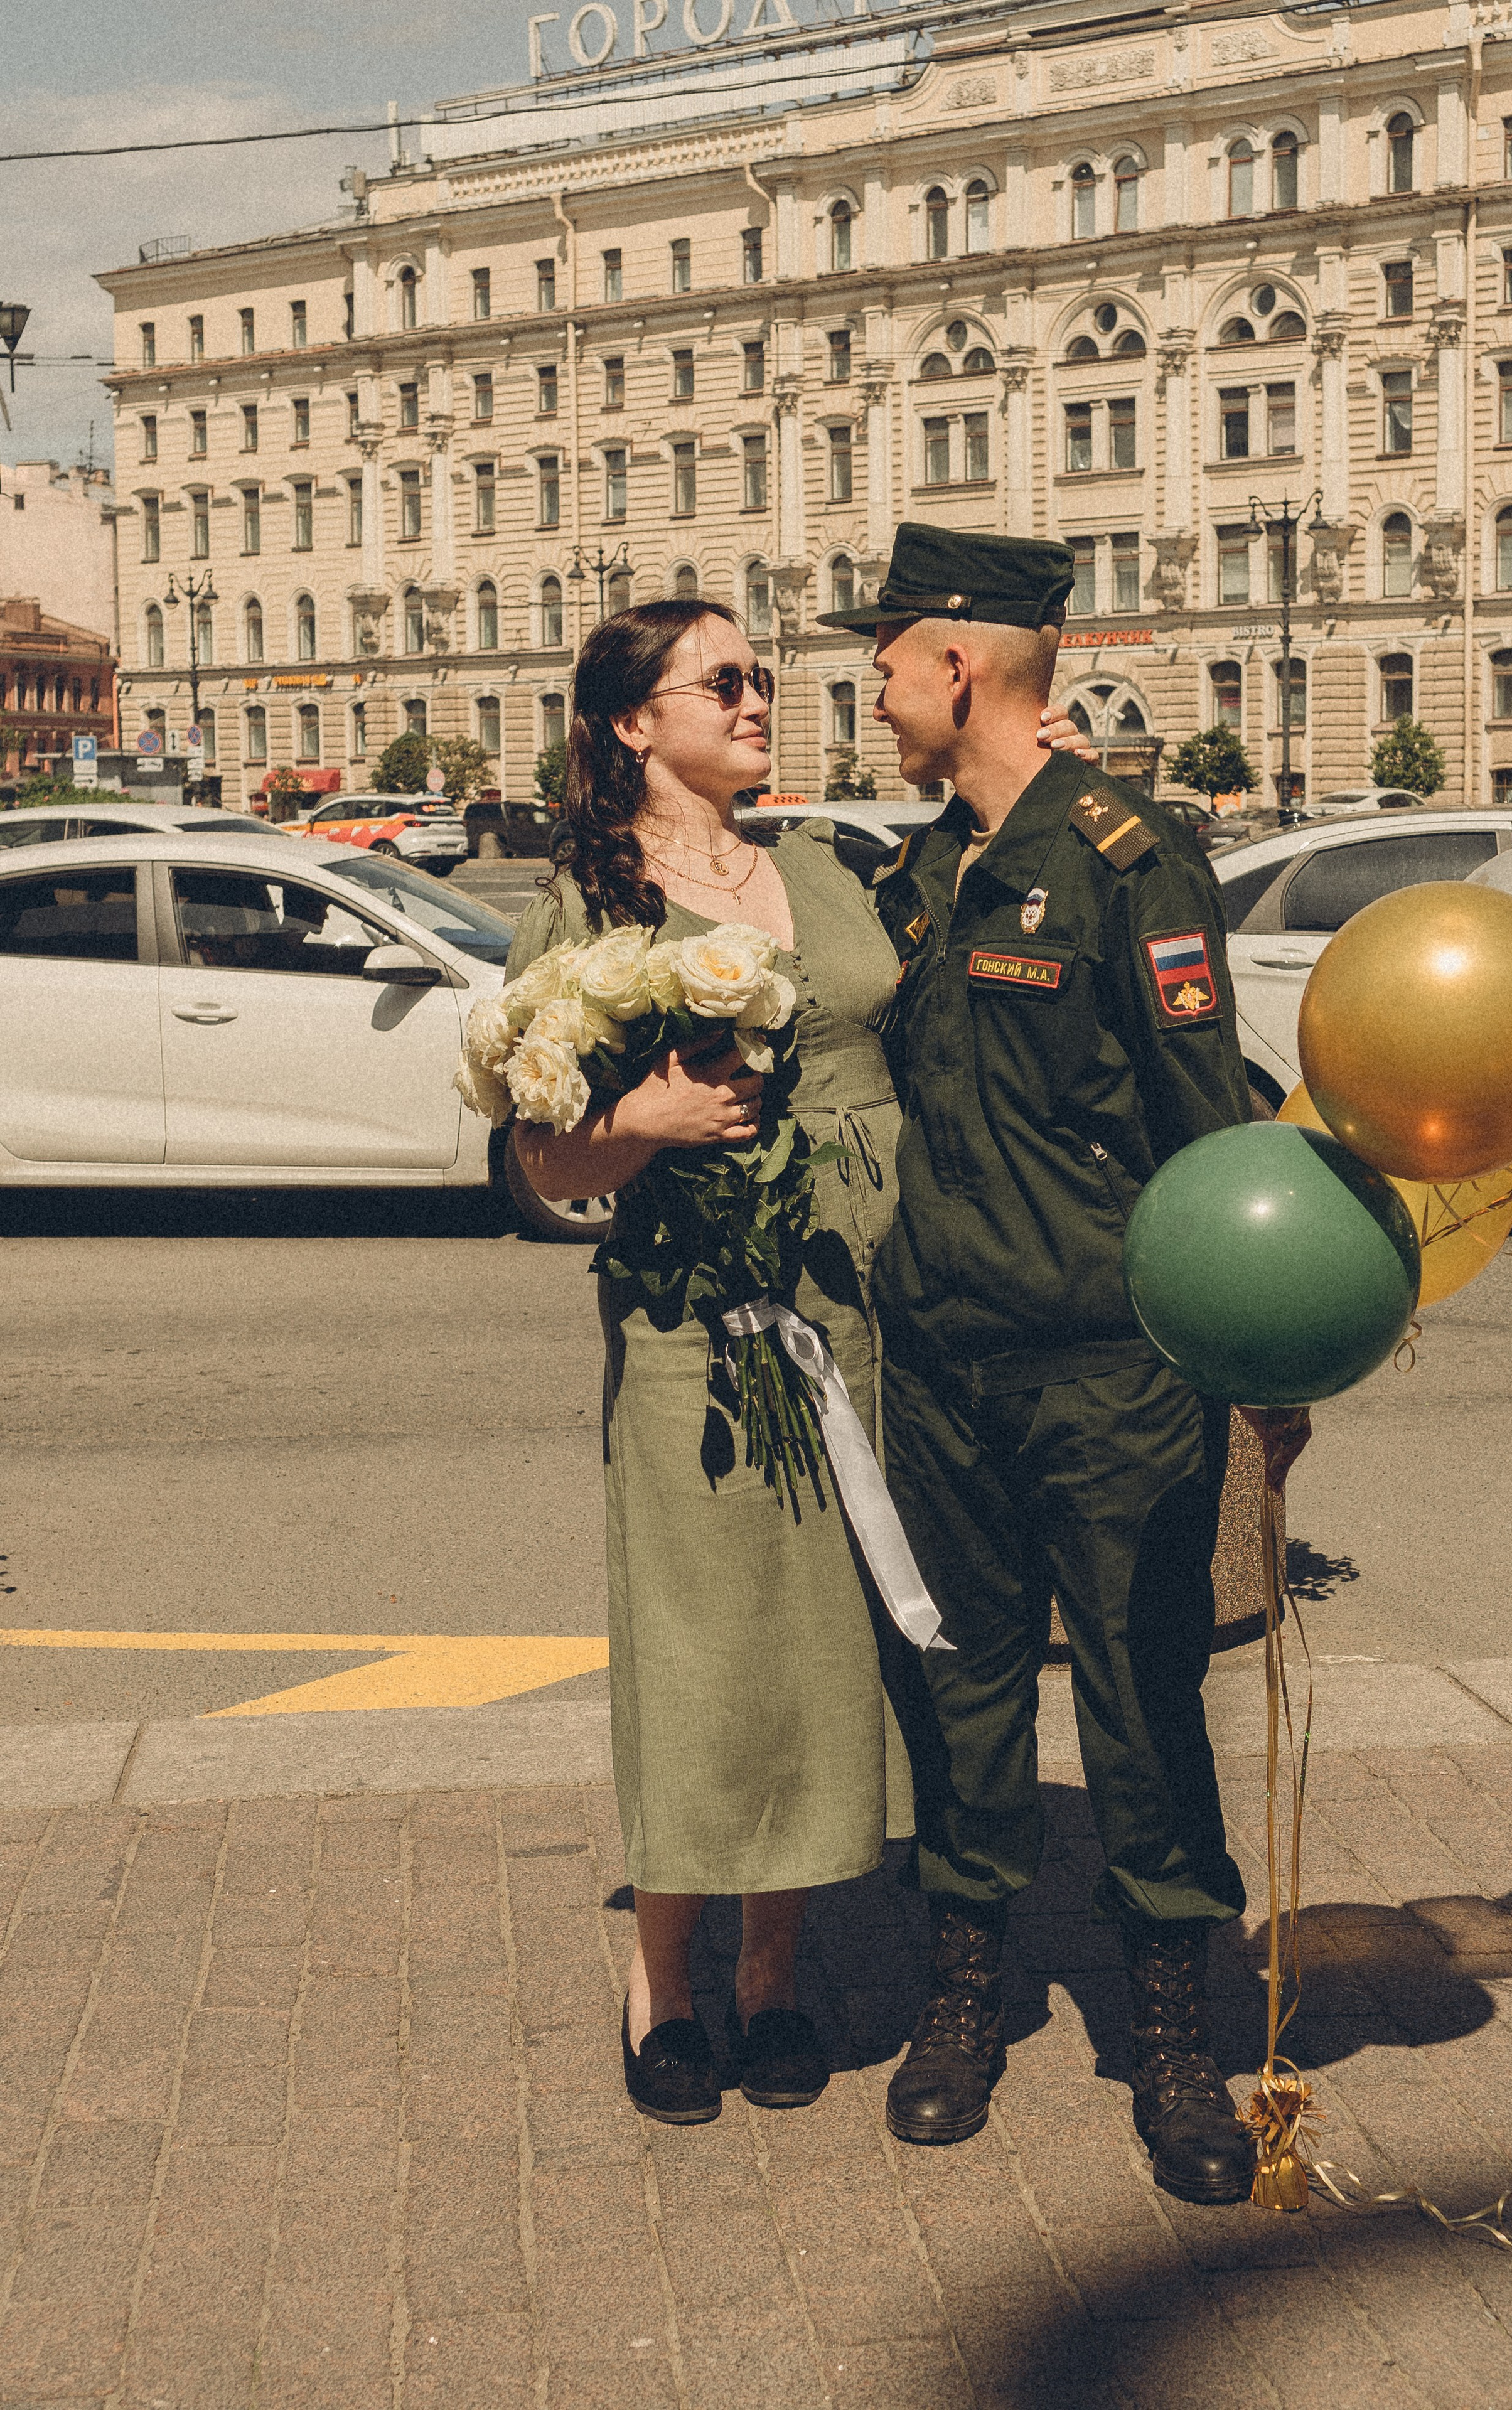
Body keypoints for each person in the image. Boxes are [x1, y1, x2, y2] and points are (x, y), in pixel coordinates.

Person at [818, 525, 1260, 2204]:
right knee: (957, 1690)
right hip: (941, 1362)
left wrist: (1250, 1357)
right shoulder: (919, 873)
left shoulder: (1130, 861)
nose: (871, 691)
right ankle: (965, 2001)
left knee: (1145, 1704)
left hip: (1107, 1371)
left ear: (960, 666)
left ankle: (1174, 2036)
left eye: (886, 663)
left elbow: (1205, 1129)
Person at [503, 598, 911, 2126]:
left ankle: (772, 1977)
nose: (756, 698)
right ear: (632, 723)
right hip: (697, 1321)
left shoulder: (825, 867)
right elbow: (543, 1160)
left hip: (861, 1307)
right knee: (699, 1648)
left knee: (818, 1643)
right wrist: (645, 1124)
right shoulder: (585, 906)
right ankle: (663, 1986)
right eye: (722, 680)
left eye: (761, 677)